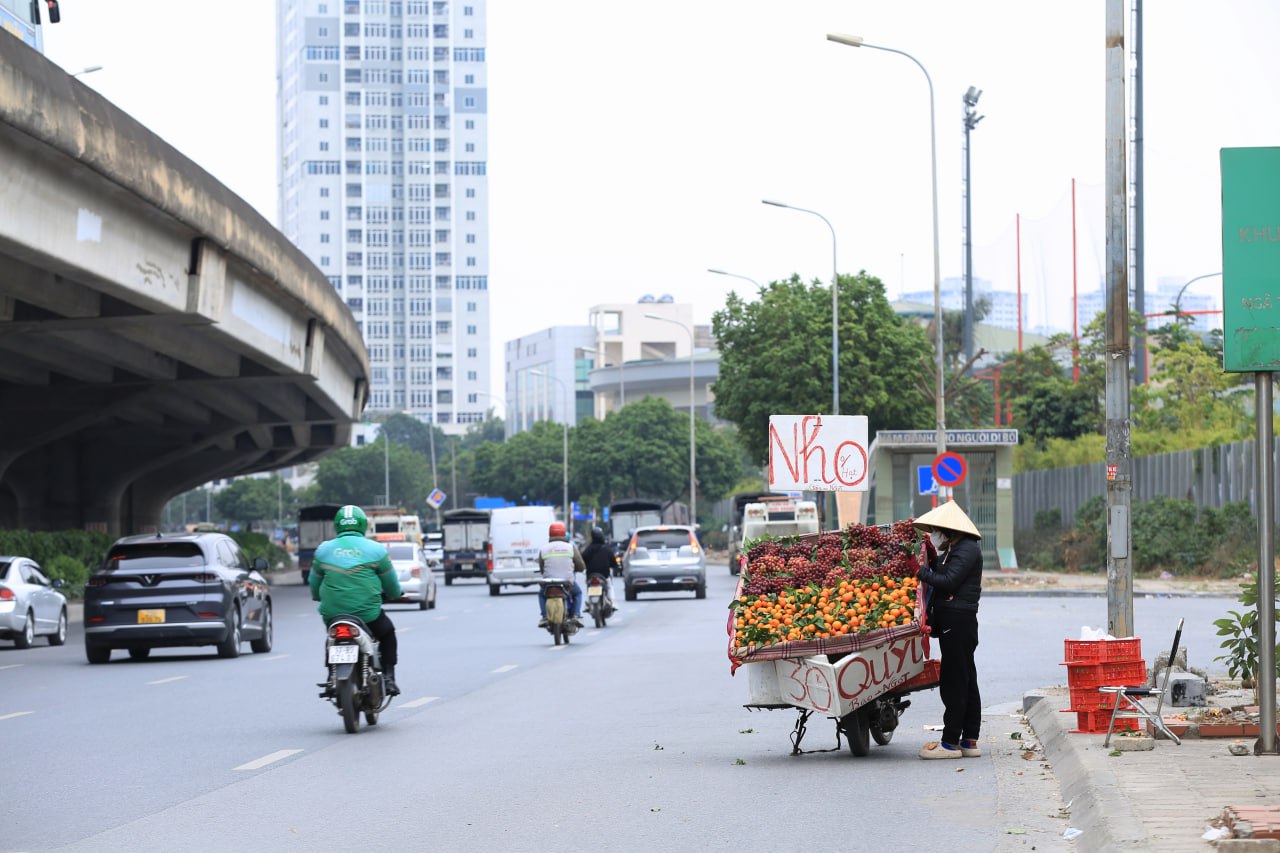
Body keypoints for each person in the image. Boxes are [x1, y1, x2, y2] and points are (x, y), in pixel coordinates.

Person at [913, 500, 984, 760]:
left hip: (958, 620)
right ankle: (969, 739)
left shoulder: (967, 549)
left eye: (938, 529)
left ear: (950, 528)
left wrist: (920, 572)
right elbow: (944, 573)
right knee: (965, 677)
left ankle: (951, 742)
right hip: (956, 620)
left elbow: (949, 581)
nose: (936, 533)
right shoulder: (956, 548)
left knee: (955, 679)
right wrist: (931, 561)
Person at [310, 505, 404, 696]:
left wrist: (318, 597)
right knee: (387, 633)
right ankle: (388, 676)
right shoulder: (376, 550)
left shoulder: (323, 550)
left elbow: (314, 582)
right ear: (363, 525)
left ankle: (331, 676)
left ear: (337, 526)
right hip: (368, 615)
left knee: (331, 637)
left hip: (333, 615)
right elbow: (391, 584)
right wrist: (395, 594)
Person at [537, 521, 585, 628]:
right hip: (567, 582)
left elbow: (541, 567)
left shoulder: (544, 549)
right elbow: (581, 565)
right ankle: (576, 615)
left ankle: (544, 616)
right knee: (578, 593)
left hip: (548, 583)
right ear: (563, 533)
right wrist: (578, 568)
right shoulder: (570, 547)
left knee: (541, 594)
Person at [579, 525, 619, 612]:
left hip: (591, 575)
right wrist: (616, 566)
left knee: (589, 587)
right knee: (609, 585)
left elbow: (582, 560)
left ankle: (588, 604)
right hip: (604, 575)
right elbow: (614, 562)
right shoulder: (607, 549)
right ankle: (613, 602)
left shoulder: (588, 549)